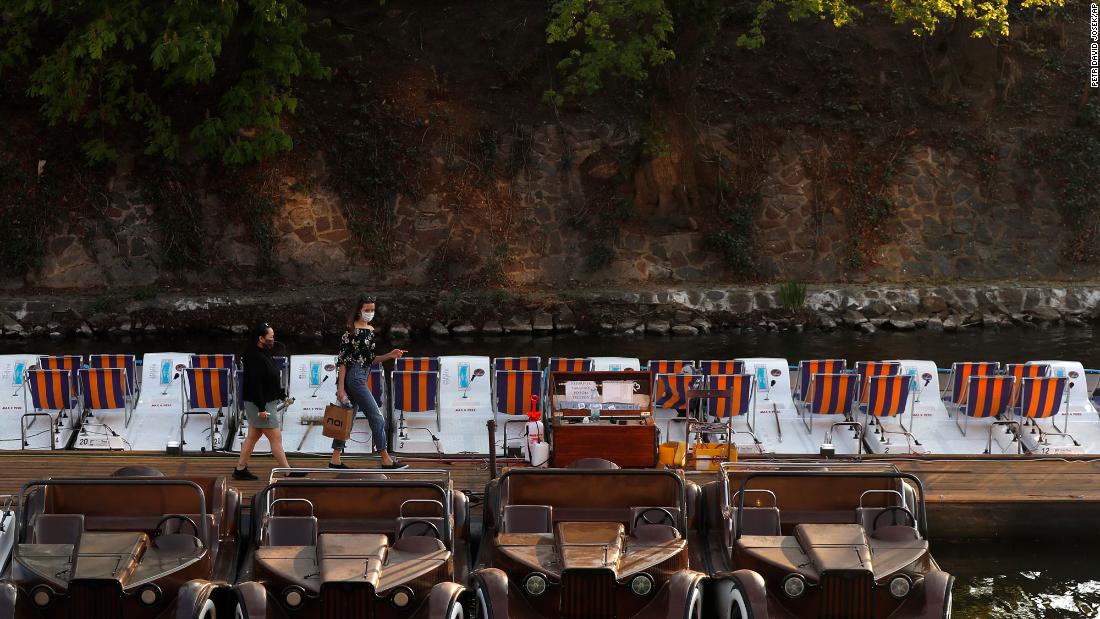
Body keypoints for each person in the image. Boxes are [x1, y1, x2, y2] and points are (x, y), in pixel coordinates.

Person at [329, 297, 409, 470]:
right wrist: (340, 388)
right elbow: (343, 361)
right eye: (367, 309)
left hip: (362, 375)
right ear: (359, 310)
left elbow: (370, 359)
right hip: (355, 378)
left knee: (347, 418)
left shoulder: (370, 330)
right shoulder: (350, 331)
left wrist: (390, 355)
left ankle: (335, 459)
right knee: (376, 417)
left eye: (372, 309)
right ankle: (385, 458)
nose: (370, 313)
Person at [234, 323, 295, 480]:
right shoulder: (254, 357)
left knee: (253, 436)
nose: (273, 339)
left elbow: (272, 377)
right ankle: (287, 470)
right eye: (270, 337)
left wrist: (282, 395)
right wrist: (261, 408)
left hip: (266, 400)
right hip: (260, 403)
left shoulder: (264, 352)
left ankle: (240, 469)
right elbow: (255, 385)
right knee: (275, 437)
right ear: (261, 338)